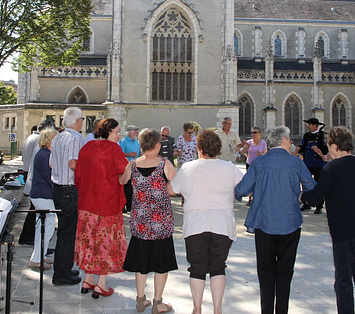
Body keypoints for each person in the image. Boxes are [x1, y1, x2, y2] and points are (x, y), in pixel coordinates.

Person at [300, 127, 355, 314]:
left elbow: (316, 197)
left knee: (344, 280)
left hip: (345, 230)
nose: (328, 151)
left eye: (329, 147)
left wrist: (301, 197)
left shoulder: (331, 167)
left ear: (336, 147)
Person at [235, 126, 316, 314]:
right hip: (290, 222)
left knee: (265, 273)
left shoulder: (259, 163)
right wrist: (300, 196)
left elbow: (241, 190)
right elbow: (312, 187)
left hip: (264, 223)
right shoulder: (295, 163)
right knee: (285, 273)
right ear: (284, 141)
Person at [170, 130, 243, 314]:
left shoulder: (188, 168)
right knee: (218, 267)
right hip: (222, 224)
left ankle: (197, 308)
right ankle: (217, 309)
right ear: (218, 148)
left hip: (196, 223)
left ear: (199, 148)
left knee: (197, 268)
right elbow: (244, 188)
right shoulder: (229, 168)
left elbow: (171, 189)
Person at [122, 128, 178, 313]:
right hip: (160, 223)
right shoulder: (165, 164)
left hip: (140, 222)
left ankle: (140, 300)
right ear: (156, 145)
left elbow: (123, 180)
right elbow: (175, 188)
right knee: (162, 264)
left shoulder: (134, 164)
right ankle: (157, 302)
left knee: (141, 263)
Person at [74, 118, 128, 299]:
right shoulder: (114, 149)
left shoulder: (87, 147)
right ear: (108, 131)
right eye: (117, 132)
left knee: (89, 240)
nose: (119, 136)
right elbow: (124, 173)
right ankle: (101, 284)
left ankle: (88, 279)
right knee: (105, 242)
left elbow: (78, 177)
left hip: (87, 203)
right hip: (107, 204)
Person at [50, 107, 84, 286]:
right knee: (68, 233)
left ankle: (63, 268)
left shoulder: (58, 137)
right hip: (69, 189)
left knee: (64, 231)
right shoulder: (75, 138)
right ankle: (62, 274)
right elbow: (73, 163)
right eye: (82, 119)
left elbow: (51, 163)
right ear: (77, 121)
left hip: (57, 188)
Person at [19, 120, 54, 246]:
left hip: (31, 176)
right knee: (36, 214)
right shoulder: (38, 142)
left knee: (34, 212)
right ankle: (29, 238)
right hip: (36, 180)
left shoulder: (31, 138)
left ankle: (29, 238)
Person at [29, 128, 59, 269]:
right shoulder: (46, 155)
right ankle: (37, 258)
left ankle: (40, 255)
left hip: (41, 194)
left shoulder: (45, 153)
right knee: (46, 226)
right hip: (43, 194)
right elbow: (50, 177)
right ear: (49, 141)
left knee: (44, 226)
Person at [296, 118, 328, 214]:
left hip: (319, 164)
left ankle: (319, 205)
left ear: (315, 125)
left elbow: (325, 149)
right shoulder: (306, 136)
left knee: (318, 184)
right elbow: (303, 146)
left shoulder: (323, 135)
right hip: (307, 163)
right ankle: (306, 203)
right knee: (305, 183)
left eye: (309, 124)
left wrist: (318, 149)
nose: (307, 126)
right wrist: (298, 149)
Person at [120, 124, 141, 212]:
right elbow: (120, 153)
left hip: (136, 167)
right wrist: (129, 154)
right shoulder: (124, 141)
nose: (137, 132)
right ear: (130, 132)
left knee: (133, 187)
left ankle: (131, 205)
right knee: (126, 188)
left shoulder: (136, 142)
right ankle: (124, 206)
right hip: (126, 167)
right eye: (135, 131)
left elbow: (139, 153)